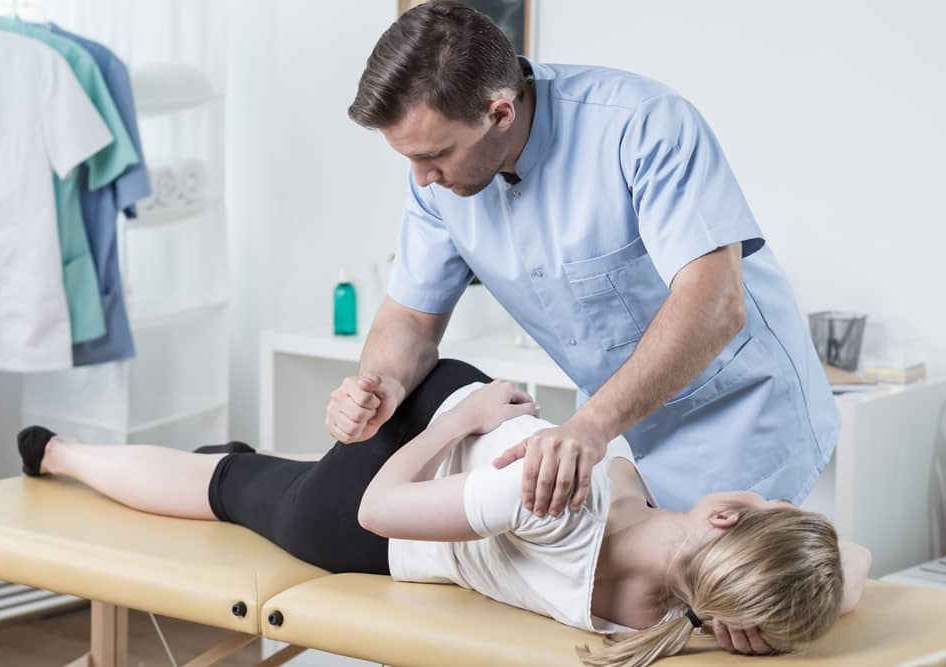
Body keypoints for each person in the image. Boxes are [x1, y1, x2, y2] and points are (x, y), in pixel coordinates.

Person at [330, 0, 839, 535]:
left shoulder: (641, 127)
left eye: (435, 154)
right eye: (408, 158)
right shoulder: (436, 183)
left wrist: (590, 427)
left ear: (499, 112)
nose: (422, 177)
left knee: (734, 601)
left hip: (741, 418)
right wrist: (380, 382)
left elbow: (714, 304)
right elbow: (410, 318)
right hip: (616, 433)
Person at [17, 360, 869, 667]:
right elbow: (850, 566)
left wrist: (454, 423)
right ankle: (236, 466)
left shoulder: (546, 501)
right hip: (452, 445)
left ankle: (59, 453)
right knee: (253, 478)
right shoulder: (673, 615)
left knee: (232, 489)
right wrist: (769, 622)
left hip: (378, 507)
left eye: (770, 506)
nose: (770, 498)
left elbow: (381, 508)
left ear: (725, 518)